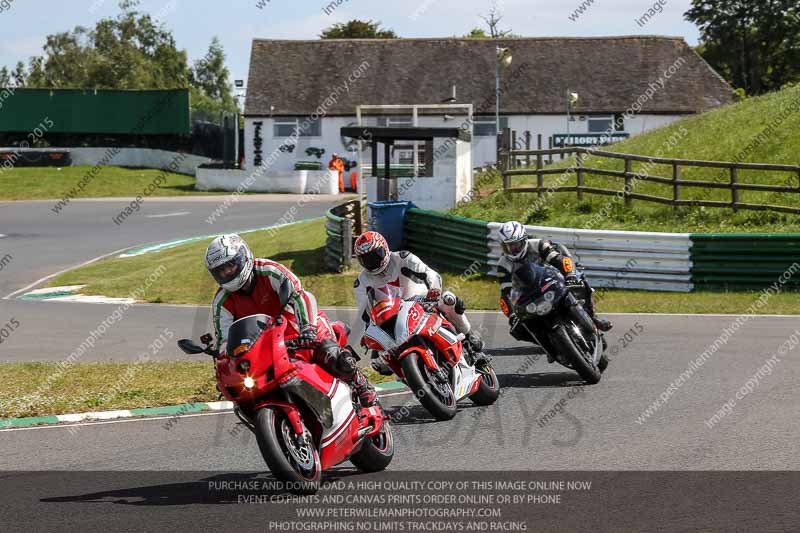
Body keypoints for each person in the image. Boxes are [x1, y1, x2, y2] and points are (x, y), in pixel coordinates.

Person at [206, 233, 376, 406]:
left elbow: (300, 296)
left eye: (230, 265)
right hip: (265, 346)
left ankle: (360, 384)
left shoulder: (268, 270)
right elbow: (224, 340)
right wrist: (225, 369)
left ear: (244, 256)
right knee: (247, 393)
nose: (227, 272)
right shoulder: (222, 301)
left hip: (301, 327)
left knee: (329, 353)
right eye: (221, 270)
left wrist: (307, 329)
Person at [352, 231, 489, 375]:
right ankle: (414, 374)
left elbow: (430, 274)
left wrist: (434, 292)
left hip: (422, 301)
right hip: (391, 318)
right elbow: (364, 315)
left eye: (375, 255)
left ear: (385, 249)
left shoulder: (403, 258)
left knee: (449, 300)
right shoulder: (361, 282)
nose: (372, 262)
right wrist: (366, 337)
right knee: (378, 363)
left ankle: (470, 339)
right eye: (366, 259)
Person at [496, 221, 613, 340]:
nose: (512, 249)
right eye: (508, 246)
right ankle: (548, 343)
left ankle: (592, 317)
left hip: (553, 278)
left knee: (579, 279)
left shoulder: (539, 245)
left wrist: (570, 275)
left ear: (524, 240)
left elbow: (560, 259)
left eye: (516, 244)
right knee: (517, 330)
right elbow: (506, 293)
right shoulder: (503, 264)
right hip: (530, 292)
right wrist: (511, 315)